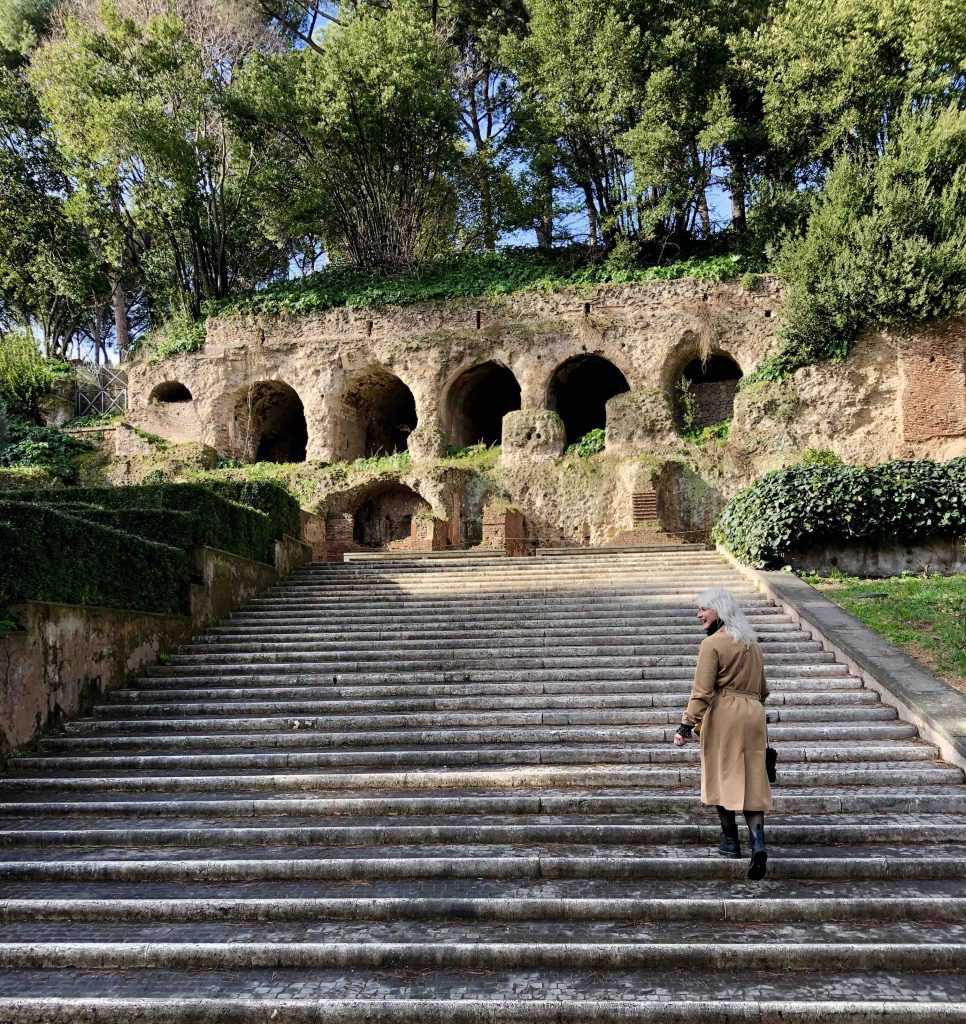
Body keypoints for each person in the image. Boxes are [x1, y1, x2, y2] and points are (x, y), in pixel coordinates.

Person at [672, 586, 772, 880]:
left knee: (720, 774)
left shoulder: (712, 644)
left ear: (719, 610)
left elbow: (702, 691)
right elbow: (763, 689)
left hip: (725, 715)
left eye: (704, 608)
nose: (698, 614)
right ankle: (758, 841)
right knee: (753, 778)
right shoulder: (753, 644)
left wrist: (685, 725)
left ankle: (730, 841)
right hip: (754, 714)